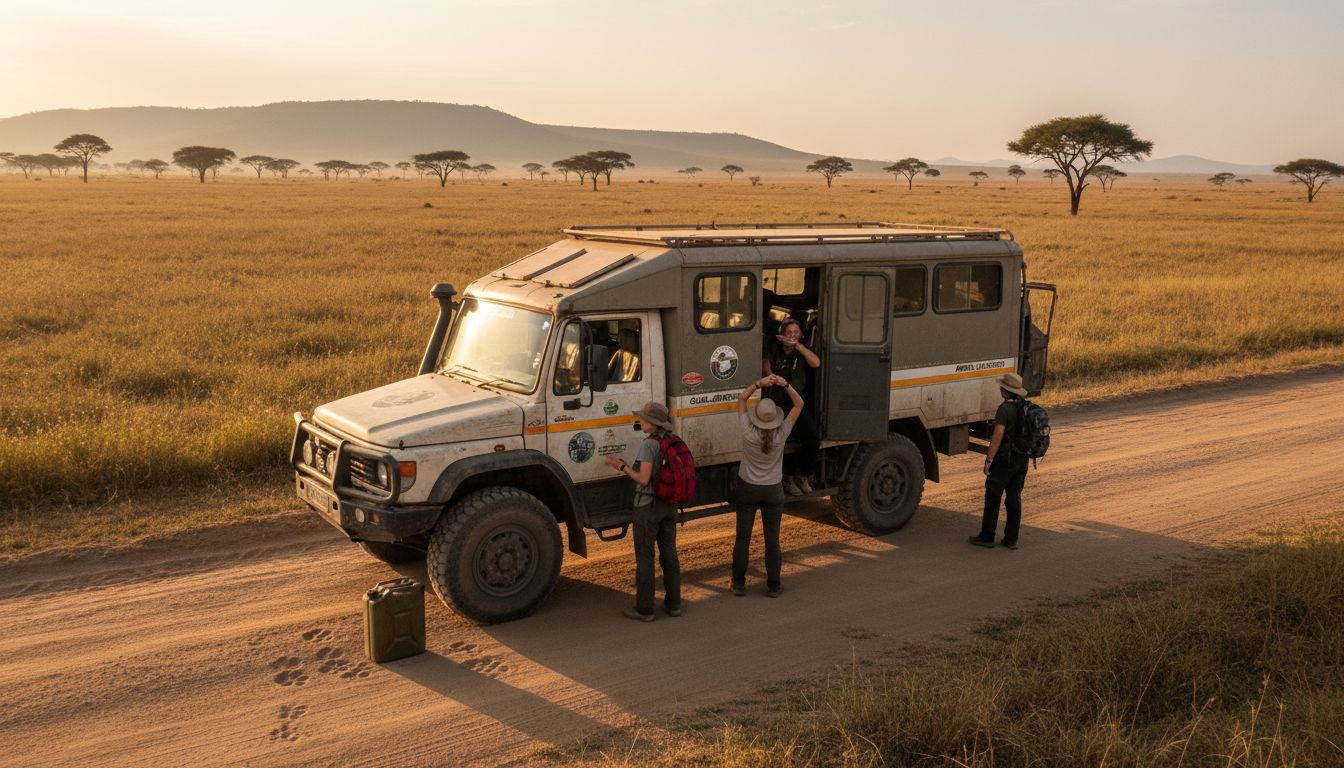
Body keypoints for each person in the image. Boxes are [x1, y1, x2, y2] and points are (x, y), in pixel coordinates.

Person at [605, 402, 682, 621]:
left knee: (645, 558)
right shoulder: (672, 440)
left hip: (648, 508)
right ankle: (674, 605)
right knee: (669, 554)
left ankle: (645, 609)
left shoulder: (649, 444)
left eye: (643, 418)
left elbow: (644, 479)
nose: (640, 421)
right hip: (669, 505)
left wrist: (622, 466)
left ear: (653, 423)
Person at [732, 373, 804, 597]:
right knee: (772, 540)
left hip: (747, 488)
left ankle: (738, 584)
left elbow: (741, 399)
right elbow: (799, 404)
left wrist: (758, 384)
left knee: (742, 538)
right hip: (773, 490)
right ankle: (773, 585)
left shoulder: (748, 431)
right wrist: (786, 384)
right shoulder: (781, 434)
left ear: (756, 417)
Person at [970, 373, 1031, 550]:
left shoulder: (1004, 410)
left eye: (1002, 386)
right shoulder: (1025, 407)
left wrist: (989, 459)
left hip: (1005, 459)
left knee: (993, 495)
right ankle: (1011, 539)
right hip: (1022, 458)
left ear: (1006, 390)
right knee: (1014, 497)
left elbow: (997, 436)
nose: (1000, 388)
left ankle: (987, 536)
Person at [762, 318, 821, 496]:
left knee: (813, 438)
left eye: (796, 333)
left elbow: (816, 363)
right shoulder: (773, 348)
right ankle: (785, 479)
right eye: (789, 333)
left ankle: (802, 475)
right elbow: (765, 365)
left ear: (801, 335)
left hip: (796, 402)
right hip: (777, 401)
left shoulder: (801, 350)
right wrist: (772, 377)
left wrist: (797, 346)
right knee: (783, 439)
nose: (792, 336)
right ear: (782, 335)